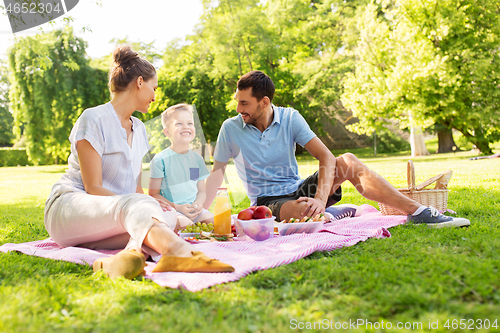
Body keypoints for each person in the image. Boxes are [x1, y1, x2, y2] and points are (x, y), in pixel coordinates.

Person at [44, 46, 234, 280]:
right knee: (145, 209)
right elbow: (93, 188)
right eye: (154, 88)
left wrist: (155, 204)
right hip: (70, 209)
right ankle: (178, 252)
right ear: (140, 82)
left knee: (168, 217)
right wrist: (143, 201)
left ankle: (126, 257)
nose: (155, 96)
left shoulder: (140, 128)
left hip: (118, 215)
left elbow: (135, 189)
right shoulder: (93, 119)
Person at [204, 70, 470, 229]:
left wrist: (320, 198)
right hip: (267, 202)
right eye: (238, 103)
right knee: (303, 213)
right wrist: (201, 210)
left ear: (264, 102)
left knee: (348, 161)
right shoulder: (231, 127)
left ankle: (419, 212)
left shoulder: (290, 118)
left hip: (300, 188)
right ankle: (326, 213)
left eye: (244, 104)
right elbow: (217, 173)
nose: (239, 110)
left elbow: (326, 157)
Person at [148, 104, 214, 228]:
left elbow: (201, 191)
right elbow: (154, 194)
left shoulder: (197, 159)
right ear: (167, 132)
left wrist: (198, 204)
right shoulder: (160, 160)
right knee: (187, 226)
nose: (186, 127)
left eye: (190, 123)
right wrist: (178, 207)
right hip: (173, 210)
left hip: (194, 210)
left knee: (215, 223)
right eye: (179, 124)